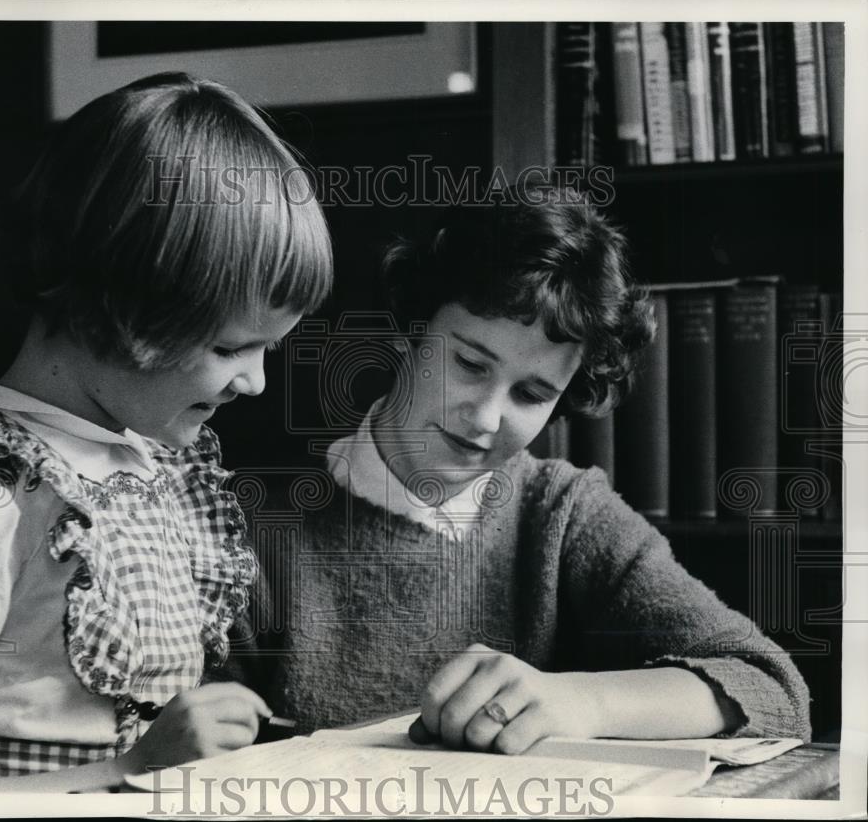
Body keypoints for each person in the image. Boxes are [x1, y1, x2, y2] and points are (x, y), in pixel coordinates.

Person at [244, 190, 811, 753]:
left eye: (532, 393)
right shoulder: (249, 524)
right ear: (411, 333)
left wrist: (578, 702)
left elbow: (771, 688)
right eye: (469, 363)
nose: (487, 416)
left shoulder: (563, 513)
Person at [0, 72, 332, 790]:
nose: (254, 382)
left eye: (267, 350)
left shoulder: (149, 468)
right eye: (228, 349)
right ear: (122, 314)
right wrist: (128, 771)